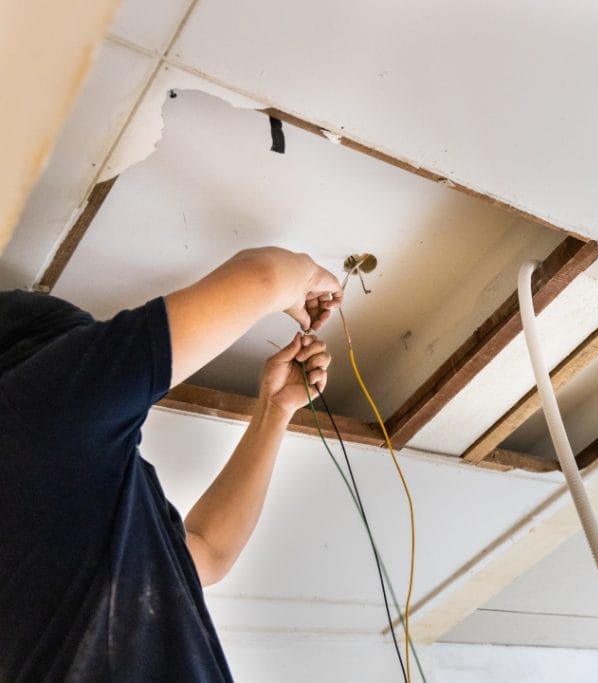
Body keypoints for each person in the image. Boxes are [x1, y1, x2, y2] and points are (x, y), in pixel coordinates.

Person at [0, 247, 343, 681]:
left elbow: (264, 276)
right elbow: (208, 553)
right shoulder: (45, 438)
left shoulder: (55, 468)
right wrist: (275, 409)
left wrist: (303, 281)